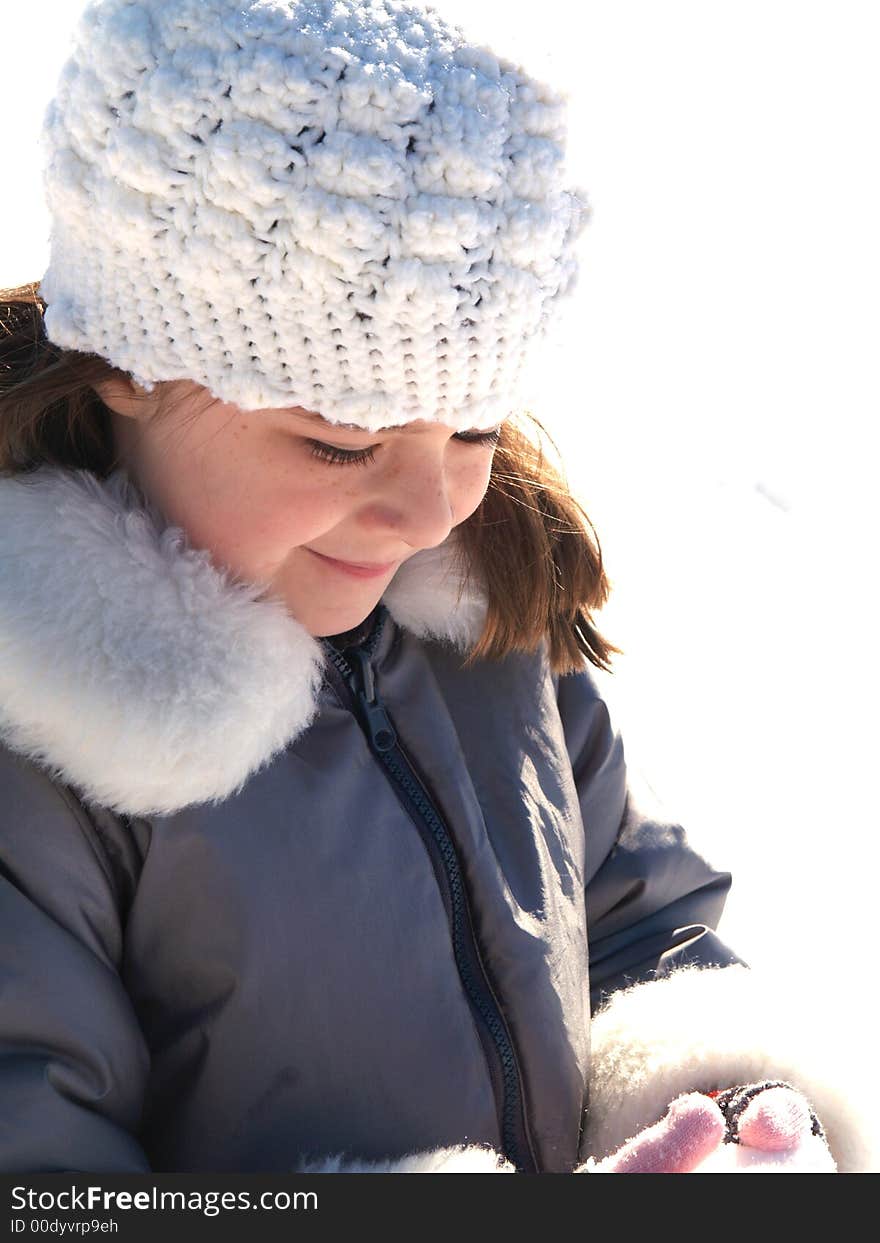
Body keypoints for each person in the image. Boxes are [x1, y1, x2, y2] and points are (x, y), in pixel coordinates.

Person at [0, 0, 873, 1174]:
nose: (431, 512)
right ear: (127, 371)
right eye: (340, 443)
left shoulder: (478, 626)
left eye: (471, 424)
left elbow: (634, 924)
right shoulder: (33, 757)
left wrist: (718, 1112)